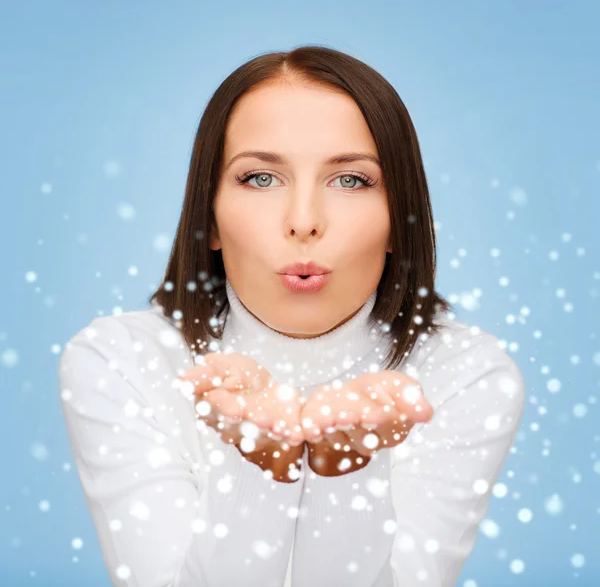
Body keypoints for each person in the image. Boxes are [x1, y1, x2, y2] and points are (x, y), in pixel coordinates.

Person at [58, 45, 526, 587]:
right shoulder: (121, 362)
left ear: (401, 219)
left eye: (351, 180)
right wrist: (259, 470)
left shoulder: (463, 374)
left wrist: (346, 477)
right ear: (207, 216)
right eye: (260, 178)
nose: (303, 221)